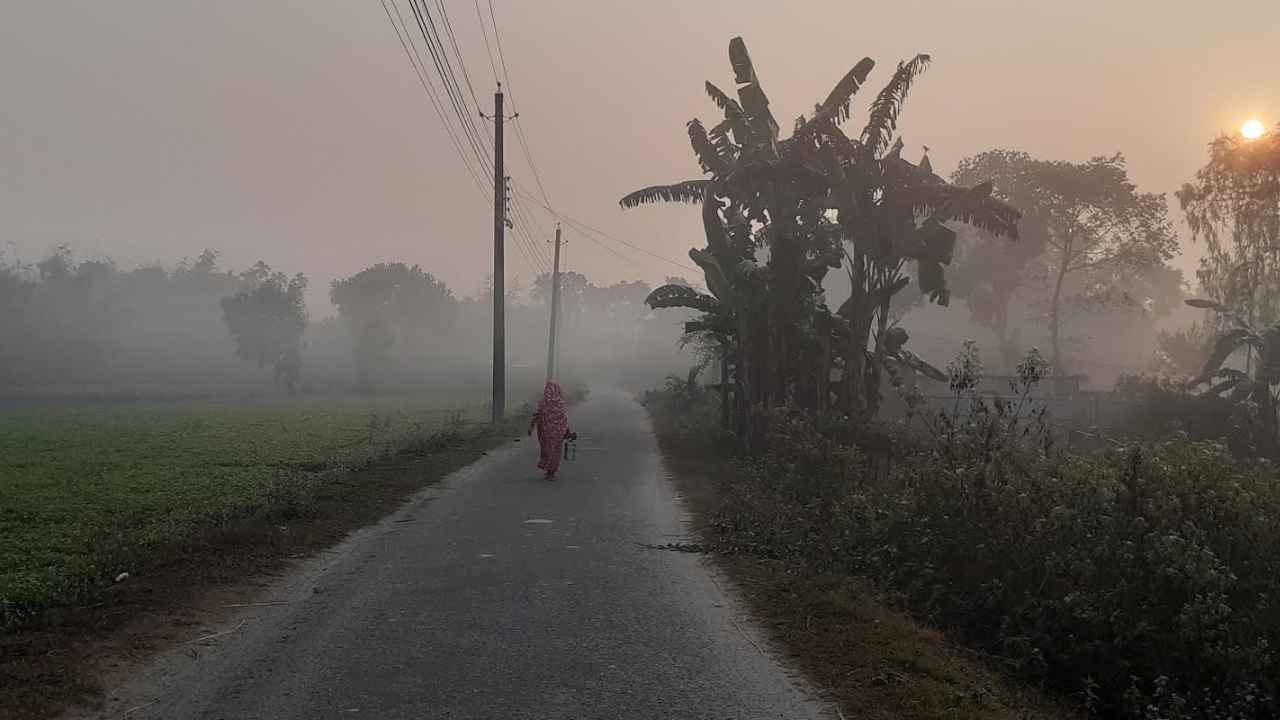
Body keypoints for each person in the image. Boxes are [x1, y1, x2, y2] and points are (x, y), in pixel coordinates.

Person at [528, 381, 571, 480]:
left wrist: (531, 427)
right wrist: (567, 430)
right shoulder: (561, 403)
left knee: (547, 450)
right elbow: (564, 419)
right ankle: (551, 472)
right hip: (558, 433)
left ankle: (549, 471)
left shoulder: (543, 402)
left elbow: (537, 415)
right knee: (555, 452)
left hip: (546, 433)